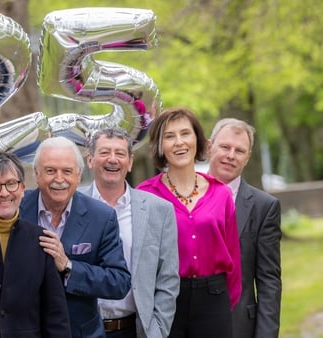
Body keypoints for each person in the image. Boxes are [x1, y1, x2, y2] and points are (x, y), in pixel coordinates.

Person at [136, 107, 242, 338]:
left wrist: (223, 302)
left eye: (185, 133)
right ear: (160, 146)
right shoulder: (145, 195)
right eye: (169, 136)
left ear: (197, 139)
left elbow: (233, 255)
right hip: (166, 299)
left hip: (214, 300)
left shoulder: (221, 193)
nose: (179, 142)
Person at [19, 136, 132, 338]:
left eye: (67, 171)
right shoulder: (16, 209)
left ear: (79, 176)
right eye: (50, 170)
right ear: (36, 174)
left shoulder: (101, 217)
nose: (59, 179)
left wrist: (68, 266)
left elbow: (119, 282)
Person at [0, 152, 71, 338]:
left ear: (22, 189)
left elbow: (55, 315)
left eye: (11, 183)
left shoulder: (41, 240)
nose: (4, 193)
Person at [79, 127, 180, 338]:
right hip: (82, 330)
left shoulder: (158, 210)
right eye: (104, 152)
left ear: (130, 162)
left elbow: (168, 278)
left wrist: (157, 331)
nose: (113, 159)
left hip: (136, 330)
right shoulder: (71, 205)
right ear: (90, 160)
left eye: (120, 153)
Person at [207, 118, 282, 338]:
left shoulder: (264, 207)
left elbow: (269, 281)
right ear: (210, 147)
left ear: (247, 158)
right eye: (225, 147)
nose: (231, 155)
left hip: (239, 327)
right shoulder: (183, 198)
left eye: (239, 151)